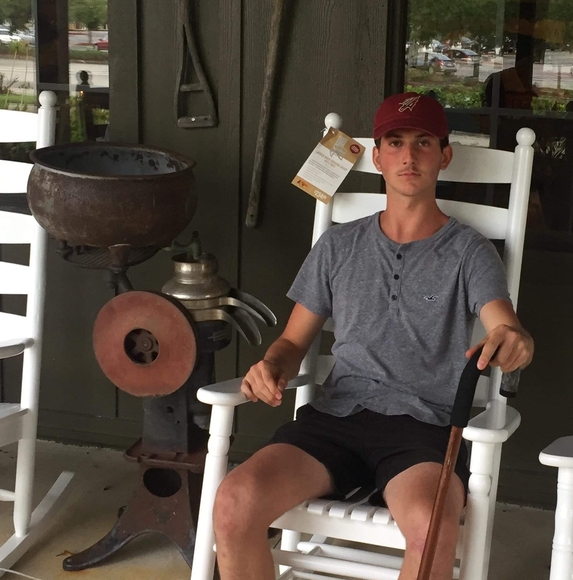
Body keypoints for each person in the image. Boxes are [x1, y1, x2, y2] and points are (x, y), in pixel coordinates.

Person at [213, 92, 534, 580]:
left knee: (431, 531)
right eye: (396, 142)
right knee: (234, 502)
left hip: (422, 430)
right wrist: (272, 367)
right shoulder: (338, 245)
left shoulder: (469, 252)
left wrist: (515, 343)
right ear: (378, 157)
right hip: (334, 420)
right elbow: (292, 344)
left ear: (444, 155)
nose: (409, 155)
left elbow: (505, 328)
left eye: (424, 142)